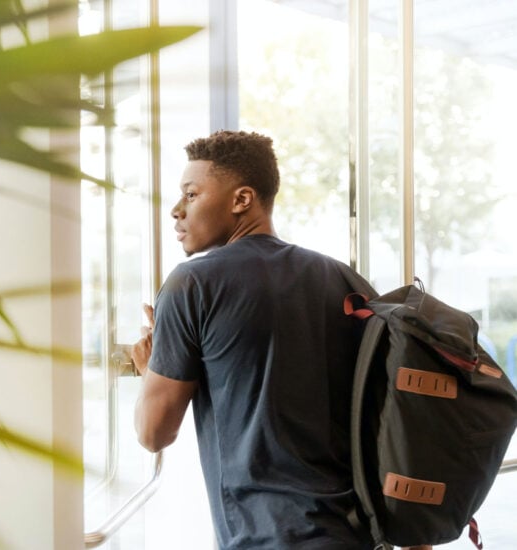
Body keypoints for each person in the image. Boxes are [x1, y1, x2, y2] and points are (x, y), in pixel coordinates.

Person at [131, 130, 424, 549]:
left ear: (242, 199)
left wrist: (151, 368)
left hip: (265, 539)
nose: (177, 211)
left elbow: (152, 433)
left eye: (191, 195)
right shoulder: (344, 279)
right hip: (357, 536)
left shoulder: (192, 284)